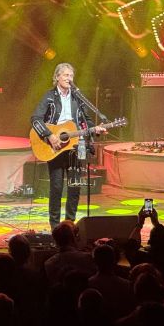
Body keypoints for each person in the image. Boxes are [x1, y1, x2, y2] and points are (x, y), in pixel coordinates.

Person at [31, 63, 106, 228]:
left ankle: (69, 224)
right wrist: (49, 135)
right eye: (65, 75)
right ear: (57, 77)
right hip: (55, 147)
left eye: (71, 76)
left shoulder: (77, 97)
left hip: (76, 146)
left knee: (75, 187)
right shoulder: (49, 96)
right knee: (56, 188)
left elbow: (87, 121)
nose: (69, 79)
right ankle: (55, 226)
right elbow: (35, 118)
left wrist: (95, 130)